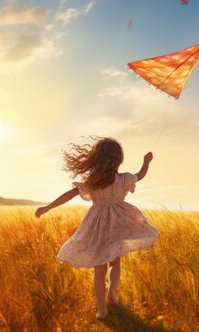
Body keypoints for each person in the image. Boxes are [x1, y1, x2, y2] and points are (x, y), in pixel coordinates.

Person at [35, 136, 160, 320]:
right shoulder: (123, 179)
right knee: (116, 262)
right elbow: (140, 175)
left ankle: (102, 310)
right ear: (118, 159)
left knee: (99, 270)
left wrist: (47, 207)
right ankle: (112, 294)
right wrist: (146, 161)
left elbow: (68, 195)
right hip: (119, 223)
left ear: (96, 159)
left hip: (98, 226)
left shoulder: (92, 182)